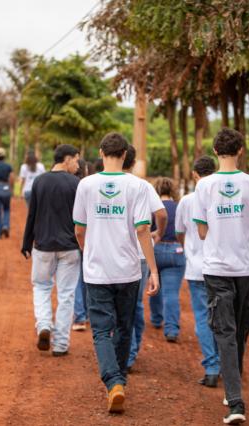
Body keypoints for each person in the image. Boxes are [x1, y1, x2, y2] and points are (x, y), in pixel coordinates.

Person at [72, 133, 160, 414]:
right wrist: (153, 269)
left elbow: (79, 229)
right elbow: (143, 229)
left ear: (101, 153)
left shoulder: (86, 185)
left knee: (101, 330)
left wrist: (88, 251)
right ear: (124, 155)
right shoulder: (138, 186)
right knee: (124, 326)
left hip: (97, 270)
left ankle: (114, 383)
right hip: (128, 271)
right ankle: (118, 380)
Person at [192, 128, 249, 425]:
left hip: (216, 267)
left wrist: (219, 232)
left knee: (228, 331)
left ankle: (232, 387)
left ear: (215, 151)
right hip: (245, 267)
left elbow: (201, 231)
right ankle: (235, 399)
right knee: (235, 329)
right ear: (241, 150)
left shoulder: (204, 186)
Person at [21, 144, 81, 355]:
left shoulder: (40, 181)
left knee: (41, 287)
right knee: (66, 294)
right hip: (70, 247)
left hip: (43, 245)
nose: (78, 165)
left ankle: (44, 325)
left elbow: (32, 214)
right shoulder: (76, 184)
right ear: (67, 159)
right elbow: (82, 219)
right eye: (76, 160)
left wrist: (26, 242)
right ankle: (61, 344)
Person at [175, 155, 221, 388]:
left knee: (203, 317)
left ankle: (212, 367)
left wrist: (190, 249)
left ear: (195, 174)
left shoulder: (186, 201)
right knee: (223, 318)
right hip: (222, 268)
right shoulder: (221, 198)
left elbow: (179, 232)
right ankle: (226, 364)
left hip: (196, 268)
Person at [123, 145, 167, 370]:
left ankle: (122, 350)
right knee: (135, 304)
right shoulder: (143, 186)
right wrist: (158, 233)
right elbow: (162, 214)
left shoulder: (97, 184)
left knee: (116, 305)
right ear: (132, 163)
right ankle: (130, 352)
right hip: (139, 254)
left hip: (112, 253)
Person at [152, 177, 185, 342]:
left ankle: (156, 318)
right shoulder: (179, 207)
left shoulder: (152, 207)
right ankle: (171, 329)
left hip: (155, 250)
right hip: (175, 250)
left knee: (154, 286)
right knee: (171, 293)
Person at [73, 158, 91, 331]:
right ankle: (88, 313)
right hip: (90, 239)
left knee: (78, 278)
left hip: (74, 238)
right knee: (89, 277)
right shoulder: (89, 188)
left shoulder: (71, 186)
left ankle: (79, 316)